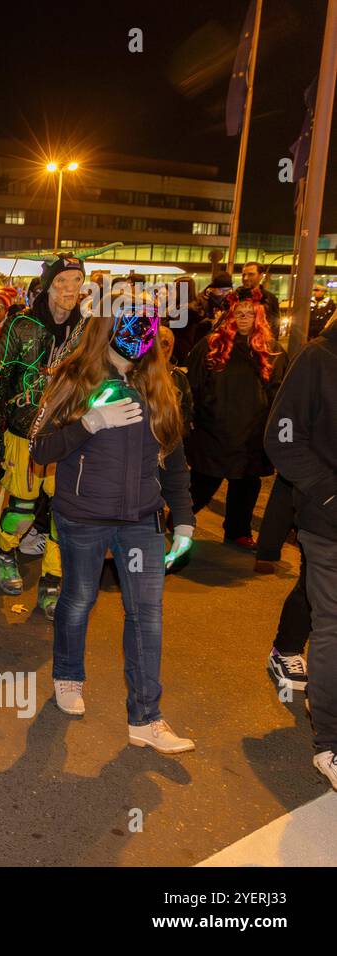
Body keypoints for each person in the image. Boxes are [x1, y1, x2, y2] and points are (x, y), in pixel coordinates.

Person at [30, 302, 196, 753]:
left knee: (147, 615)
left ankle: (147, 717)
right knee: (79, 598)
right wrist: (88, 423)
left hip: (141, 519)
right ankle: (67, 675)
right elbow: (40, 451)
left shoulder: (160, 385)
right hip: (82, 516)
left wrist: (183, 520)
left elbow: (175, 461)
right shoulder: (73, 380)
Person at [0, 254, 92, 617]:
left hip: (68, 435)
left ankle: (52, 578)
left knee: (65, 512)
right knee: (23, 506)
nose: (69, 290)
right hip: (23, 432)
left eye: (76, 282)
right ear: (47, 286)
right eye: (62, 282)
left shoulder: (87, 330)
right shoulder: (21, 326)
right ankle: (5, 550)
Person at [263, 313, 337, 788]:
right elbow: (282, 437)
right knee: (333, 624)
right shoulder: (318, 358)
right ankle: (330, 743)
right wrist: (328, 493)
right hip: (329, 523)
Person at [185, 292, 287, 550]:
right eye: (238, 313)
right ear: (230, 316)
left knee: (246, 486)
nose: (243, 318)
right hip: (214, 431)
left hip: (252, 435)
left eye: (249, 313)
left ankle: (237, 531)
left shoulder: (271, 351)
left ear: (259, 316)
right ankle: (179, 522)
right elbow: (192, 387)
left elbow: (278, 393)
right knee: (202, 484)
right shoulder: (210, 345)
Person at [237, 262, 281, 337]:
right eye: (244, 275)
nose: (245, 278)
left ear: (260, 276)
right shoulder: (234, 296)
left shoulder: (270, 298)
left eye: (251, 274)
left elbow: (275, 324)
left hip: (261, 343)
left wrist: (269, 342)